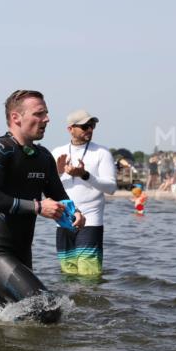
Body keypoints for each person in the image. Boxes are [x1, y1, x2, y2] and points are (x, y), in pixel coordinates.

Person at [0, 90, 85, 323]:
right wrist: (37, 207)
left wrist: (74, 213)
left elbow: (59, 195)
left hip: (22, 255)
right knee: (49, 309)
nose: (47, 119)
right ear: (16, 117)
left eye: (46, 114)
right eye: (39, 114)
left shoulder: (43, 157)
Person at [50, 110, 116, 277]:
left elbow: (111, 188)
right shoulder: (57, 152)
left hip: (91, 220)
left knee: (89, 276)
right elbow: (46, 188)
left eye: (92, 126)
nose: (90, 129)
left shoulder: (102, 152)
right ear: (70, 129)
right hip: (63, 220)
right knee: (68, 276)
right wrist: (57, 172)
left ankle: (90, 296)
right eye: (85, 126)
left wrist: (84, 175)